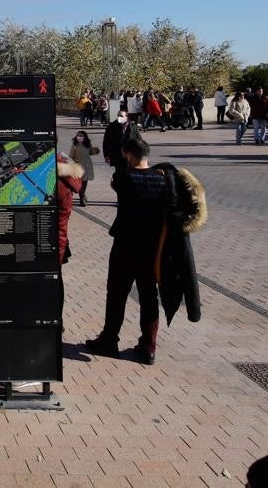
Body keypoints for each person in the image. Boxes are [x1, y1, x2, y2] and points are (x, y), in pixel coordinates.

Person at [85, 138, 169, 365]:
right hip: (151, 248)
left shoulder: (124, 177)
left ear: (130, 155)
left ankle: (109, 339)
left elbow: (118, 182)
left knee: (117, 293)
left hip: (125, 245)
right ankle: (148, 346)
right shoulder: (163, 179)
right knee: (149, 295)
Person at [102, 110, 142, 177]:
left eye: (121, 116)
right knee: (119, 175)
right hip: (118, 155)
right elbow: (106, 142)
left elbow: (139, 141)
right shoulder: (112, 126)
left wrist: (140, 155)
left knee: (130, 175)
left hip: (130, 156)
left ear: (126, 117)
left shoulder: (133, 127)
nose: (119, 117)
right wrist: (106, 155)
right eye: (118, 116)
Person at [68, 130, 98, 206]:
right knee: (79, 183)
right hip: (78, 166)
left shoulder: (88, 144)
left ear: (84, 137)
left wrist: (95, 151)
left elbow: (91, 152)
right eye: (78, 135)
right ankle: (82, 197)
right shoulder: (74, 145)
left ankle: (82, 197)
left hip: (87, 166)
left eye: (81, 135)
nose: (79, 137)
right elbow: (71, 156)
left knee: (84, 183)